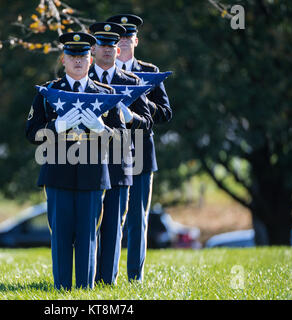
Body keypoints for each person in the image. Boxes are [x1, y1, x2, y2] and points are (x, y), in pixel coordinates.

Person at [25, 32, 124, 290]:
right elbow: (31, 132)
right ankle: (62, 289)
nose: (78, 61)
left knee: (88, 236)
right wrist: (55, 126)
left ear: (91, 59)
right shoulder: (49, 92)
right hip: (58, 174)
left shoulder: (107, 94)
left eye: (83, 56)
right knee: (61, 236)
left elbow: (123, 138)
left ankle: (85, 291)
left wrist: (102, 129)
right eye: (72, 56)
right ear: (63, 59)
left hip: (93, 176)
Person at [106, 14, 172, 282]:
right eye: (117, 38)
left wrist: (140, 103)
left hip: (142, 149)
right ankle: (105, 274)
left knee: (137, 218)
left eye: (127, 37)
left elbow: (166, 112)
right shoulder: (103, 70)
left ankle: (135, 277)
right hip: (111, 149)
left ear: (136, 40)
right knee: (111, 217)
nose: (122, 43)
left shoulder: (150, 71)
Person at [88, 21, 153, 285]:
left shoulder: (132, 82)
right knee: (89, 223)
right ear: (93, 49)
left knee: (115, 221)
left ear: (118, 50)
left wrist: (131, 117)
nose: (107, 50)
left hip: (118, 159)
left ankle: (108, 279)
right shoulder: (82, 78)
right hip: (87, 159)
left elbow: (147, 121)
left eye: (112, 45)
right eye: (102, 45)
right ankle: (87, 277)